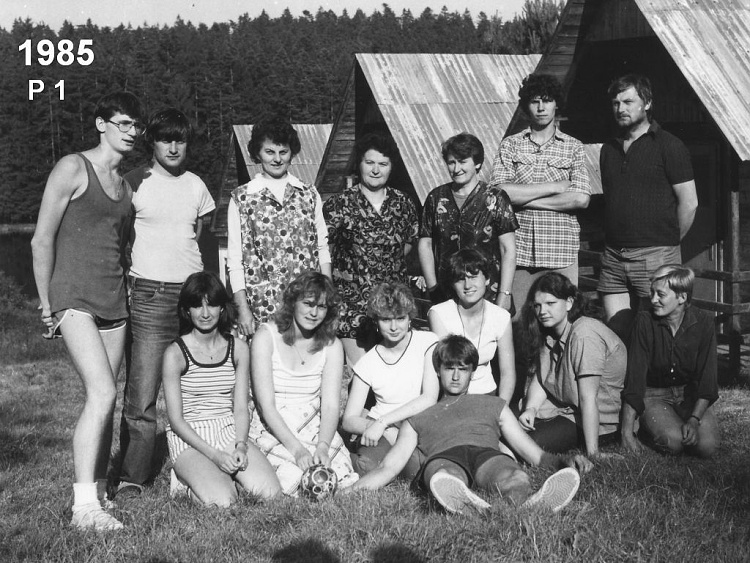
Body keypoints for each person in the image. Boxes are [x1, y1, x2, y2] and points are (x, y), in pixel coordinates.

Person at [30, 91, 143, 531]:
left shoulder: (126, 187)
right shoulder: (73, 168)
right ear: (101, 124)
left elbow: (120, 247)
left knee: (104, 400)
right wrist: (46, 302)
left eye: (136, 126)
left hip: (114, 300)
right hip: (73, 298)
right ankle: (83, 509)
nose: (131, 132)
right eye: (123, 123)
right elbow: (41, 238)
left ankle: (97, 491)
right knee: (103, 393)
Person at [345, 335, 592, 515]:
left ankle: (516, 505)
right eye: (449, 368)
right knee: (444, 478)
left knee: (515, 476)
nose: (455, 376)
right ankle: (469, 502)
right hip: (444, 458)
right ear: (438, 371)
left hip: (486, 454)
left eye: (462, 369)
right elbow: (389, 467)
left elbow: (533, 454)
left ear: (472, 372)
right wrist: (349, 492)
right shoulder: (417, 417)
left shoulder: (493, 405)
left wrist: (564, 462)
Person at [117, 108, 216, 499]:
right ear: (152, 143)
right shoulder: (133, 182)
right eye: (165, 139)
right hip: (150, 296)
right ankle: (132, 477)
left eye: (180, 140)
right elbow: (122, 239)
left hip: (193, 297)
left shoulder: (197, 186)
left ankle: (199, 465)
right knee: (142, 393)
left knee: (198, 386)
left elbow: (200, 238)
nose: (173, 147)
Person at [162, 272, 281, 506]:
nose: (205, 313)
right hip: (191, 437)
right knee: (224, 502)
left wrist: (241, 445)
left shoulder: (238, 348)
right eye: (197, 306)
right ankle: (185, 481)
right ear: (187, 310)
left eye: (212, 305)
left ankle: (219, 479)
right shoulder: (175, 353)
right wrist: (215, 456)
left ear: (222, 308)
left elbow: (240, 407)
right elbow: (176, 421)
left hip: (227, 430)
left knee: (271, 494)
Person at [598, 74, 698, 339]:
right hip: (614, 257)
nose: (621, 108)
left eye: (628, 102)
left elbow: (689, 203)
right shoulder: (609, 149)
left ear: (647, 103)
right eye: (616, 103)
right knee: (617, 334)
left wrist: (667, 242)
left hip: (656, 255)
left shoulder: (669, 145)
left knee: (658, 333)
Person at [248, 271, 359, 495]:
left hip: (313, 423)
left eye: (322, 307)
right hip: (274, 425)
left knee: (337, 474)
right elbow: (266, 406)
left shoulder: (332, 345)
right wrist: (297, 450)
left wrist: (323, 445)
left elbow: (330, 405)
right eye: (308, 304)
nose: (314, 313)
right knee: (291, 479)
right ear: (293, 302)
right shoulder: (266, 337)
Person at [488, 74, 590, 315]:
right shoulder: (510, 145)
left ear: (556, 104)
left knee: (562, 320)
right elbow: (500, 193)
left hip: (560, 252)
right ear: (526, 106)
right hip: (520, 253)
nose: (541, 107)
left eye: (547, 100)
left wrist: (524, 200)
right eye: (535, 101)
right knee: (519, 322)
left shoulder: (573, 147)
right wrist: (554, 186)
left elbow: (580, 199)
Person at [227, 117, 331, 338]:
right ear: (258, 153)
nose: (277, 159)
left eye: (283, 152)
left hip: (308, 304)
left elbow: (322, 248)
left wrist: (327, 296)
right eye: (269, 152)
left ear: (292, 153)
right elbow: (235, 260)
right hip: (263, 307)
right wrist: (243, 309)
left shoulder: (308, 194)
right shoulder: (242, 198)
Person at [324, 132, 419, 365]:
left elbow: (408, 243)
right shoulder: (339, 204)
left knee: (394, 371)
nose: (376, 170)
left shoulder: (403, 203)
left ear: (391, 167)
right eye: (370, 163)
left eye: (383, 164)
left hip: (393, 306)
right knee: (363, 372)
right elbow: (324, 249)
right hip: (352, 305)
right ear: (359, 164)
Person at [516, 273, 625, 458]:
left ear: (569, 302)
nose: (542, 311)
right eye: (537, 305)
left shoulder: (584, 333)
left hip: (596, 421)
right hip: (565, 408)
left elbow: (588, 398)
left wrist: (593, 453)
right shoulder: (551, 332)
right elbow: (542, 379)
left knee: (522, 444)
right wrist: (531, 409)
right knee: (504, 421)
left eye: (550, 303)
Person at [621, 265, 719, 458]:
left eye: (661, 294)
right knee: (674, 442)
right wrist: (626, 432)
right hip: (654, 395)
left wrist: (694, 419)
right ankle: (648, 428)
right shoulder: (644, 321)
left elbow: (707, 380)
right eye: (652, 293)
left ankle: (675, 423)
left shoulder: (704, 322)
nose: (653, 299)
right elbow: (635, 379)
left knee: (707, 447)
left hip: (689, 394)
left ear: (682, 297)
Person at [341, 283, 439, 477]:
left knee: (420, 466)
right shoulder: (368, 362)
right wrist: (379, 427)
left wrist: (384, 422)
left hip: (419, 422)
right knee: (367, 465)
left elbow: (429, 398)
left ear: (409, 318)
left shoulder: (427, 342)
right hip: (382, 427)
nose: (394, 327)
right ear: (376, 321)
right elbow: (349, 420)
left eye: (400, 318)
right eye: (386, 319)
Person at [418, 133, 518, 310]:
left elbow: (507, 249)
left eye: (462, 161)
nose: (456, 168)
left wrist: (505, 293)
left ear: (477, 163)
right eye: (451, 162)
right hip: (446, 294)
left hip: (488, 294)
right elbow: (425, 244)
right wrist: (433, 288)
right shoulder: (436, 198)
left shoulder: (496, 198)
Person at [428, 248, 516, 401]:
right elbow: (444, 368)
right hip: (451, 396)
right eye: (460, 279)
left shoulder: (501, 316)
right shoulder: (439, 314)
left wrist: (501, 407)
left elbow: (507, 372)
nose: (467, 285)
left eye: (473, 277)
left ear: (487, 279)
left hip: (487, 395)